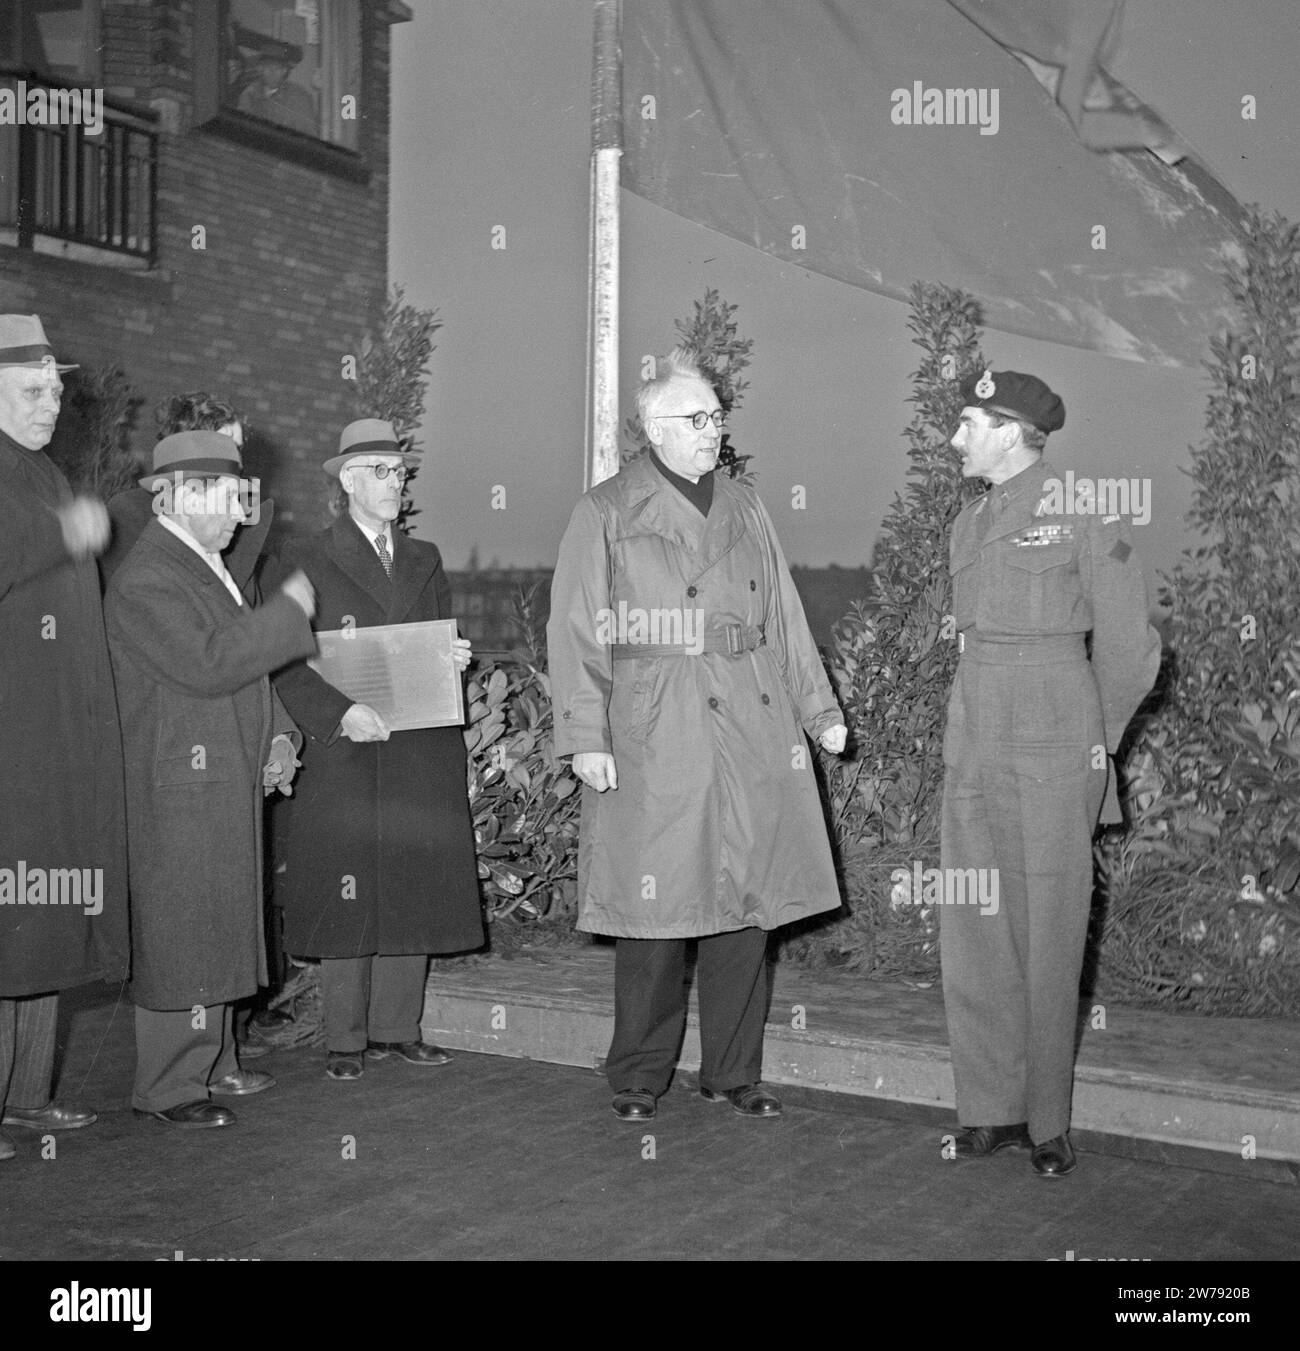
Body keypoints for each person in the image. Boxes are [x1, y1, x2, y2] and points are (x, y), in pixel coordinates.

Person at [547, 348, 847, 1122]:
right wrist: (585, 735)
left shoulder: (746, 505)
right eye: (697, 417)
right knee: (655, 907)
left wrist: (820, 712)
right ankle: (638, 1073)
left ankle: (732, 1070)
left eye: (718, 416)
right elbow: (577, 628)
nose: (714, 429)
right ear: (654, 428)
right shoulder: (605, 509)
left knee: (746, 904)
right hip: (658, 720)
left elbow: (783, 614)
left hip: (750, 712)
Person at [940, 368, 1160, 1176]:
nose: (955, 439)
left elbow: (1132, 649)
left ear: (1008, 430)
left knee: (1050, 926)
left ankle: (1046, 1123)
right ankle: (989, 1109)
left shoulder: (1087, 509)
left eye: (968, 424)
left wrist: (1090, 744)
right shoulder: (968, 521)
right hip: (975, 728)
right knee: (975, 921)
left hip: (1053, 730)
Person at [105, 431, 318, 1129]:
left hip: (216, 774)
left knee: (217, 917)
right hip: (180, 783)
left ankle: (216, 1058)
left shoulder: (200, 566)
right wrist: (289, 613)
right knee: (186, 926)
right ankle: (169, 1084)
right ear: (177, 497)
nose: (240, 515)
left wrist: (276, 736)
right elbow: (209, 662)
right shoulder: (148, 578)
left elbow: (242, 670)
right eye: (227, 499)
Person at [270, 419, 484, 1081]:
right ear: (348, 481)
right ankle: (344, 1039)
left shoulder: (425, 557)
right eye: (383, 472)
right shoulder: (304, 557)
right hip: (348, 747)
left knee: (413, 879)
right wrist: (339, 714)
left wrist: (453, 657)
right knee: (349, 885)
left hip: (419, 744)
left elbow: (433, 640)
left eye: (401, 472)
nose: (397, 483)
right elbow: (283, 657)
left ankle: (398, 1029)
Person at [0, 313, 128, 1162]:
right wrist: (65, 532)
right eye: (33, 389)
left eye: (55, 388)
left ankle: (25, 1095)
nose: (52, 402)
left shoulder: (43, 472)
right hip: (14, 736)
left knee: (39, 917)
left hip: (55, 736)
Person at [100, 391, 273, 599]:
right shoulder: (130, 511)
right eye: (226, 444)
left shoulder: (239, 516)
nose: (236, 457)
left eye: (239, 447)